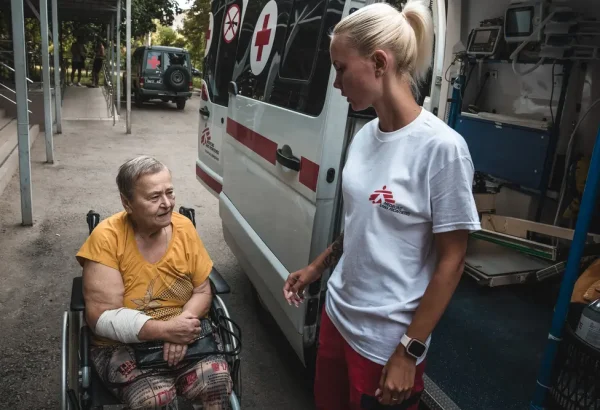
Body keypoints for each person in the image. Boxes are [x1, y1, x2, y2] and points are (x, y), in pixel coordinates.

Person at [283, 1, 481, 409]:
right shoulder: (365, 137)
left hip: (386, 342)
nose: (336, 84)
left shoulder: (442, 149)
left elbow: (452, 261)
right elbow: (361, 223)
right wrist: (317, 267)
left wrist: (409, 351)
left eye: (340, 68)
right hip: (338, 317)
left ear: (378, 62)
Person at [76, 156, 232, 409]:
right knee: (154, 399)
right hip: (122, 345)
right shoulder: (106, 239)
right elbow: (102, 318)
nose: (167, 204)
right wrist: (166, 330)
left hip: (184, 327)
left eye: (170, 193)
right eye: (154, 197)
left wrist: (180, 329)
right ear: (127, 203)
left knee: (217, 381)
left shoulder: (184, 229)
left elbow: (203, 290)